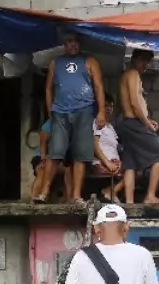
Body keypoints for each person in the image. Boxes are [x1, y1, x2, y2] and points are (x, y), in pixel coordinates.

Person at [36, 33, 107, 203]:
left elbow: (98, 86)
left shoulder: (90, 61)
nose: (73, 44)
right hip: (60, 112)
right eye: (69, 41)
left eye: (76, 41)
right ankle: (43, 192)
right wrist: (50, 111)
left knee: (80, 154)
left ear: (80, 43)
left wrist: (102, 111)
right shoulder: (56, 62)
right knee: (55, 153)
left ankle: (76, 195)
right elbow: (48, 89)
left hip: (84, 111)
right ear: (64, 44)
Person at [117, 49, 159, 204]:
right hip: (135, 123)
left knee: (130, 164)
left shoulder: (127, 75)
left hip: (129, 123)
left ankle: (129, 201)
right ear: (134, 58)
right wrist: (146, 123)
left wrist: (148, 119)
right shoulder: (132, 73)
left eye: (148, 61)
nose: (145, 64)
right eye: (143, 60)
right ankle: (150, 195)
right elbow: (134, 102)